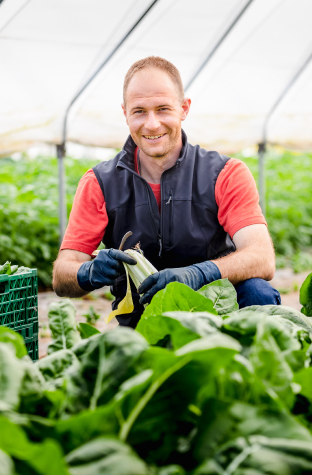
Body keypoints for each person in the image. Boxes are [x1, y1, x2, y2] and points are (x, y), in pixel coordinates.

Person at [52, 56, 280, 328]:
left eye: (163, 109)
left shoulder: (225, 173)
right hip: (144, 320)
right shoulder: (100, 182)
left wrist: (199, 274)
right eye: (139, 111)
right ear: (125, 113)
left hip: (218, 313)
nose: (151, 124)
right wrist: (88, 271)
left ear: (184, 108)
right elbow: (61, 276)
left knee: (257, 292)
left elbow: (261, 256)